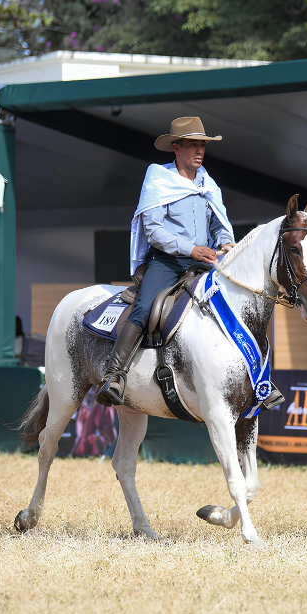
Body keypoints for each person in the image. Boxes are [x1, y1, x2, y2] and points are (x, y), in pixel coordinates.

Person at [96, 117, 235, 406]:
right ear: (176, 147)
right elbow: (154, 231)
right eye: (192, 145)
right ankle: (115, 374)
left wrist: (224, 241)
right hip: (167, 262)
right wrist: (191, 249)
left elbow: (219, 223)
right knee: (145, 308)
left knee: (235, 303)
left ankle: (250, 376)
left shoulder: (208, 184)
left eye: (202, 145)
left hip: (205, 261)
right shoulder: (159, 178)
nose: (199, 151)